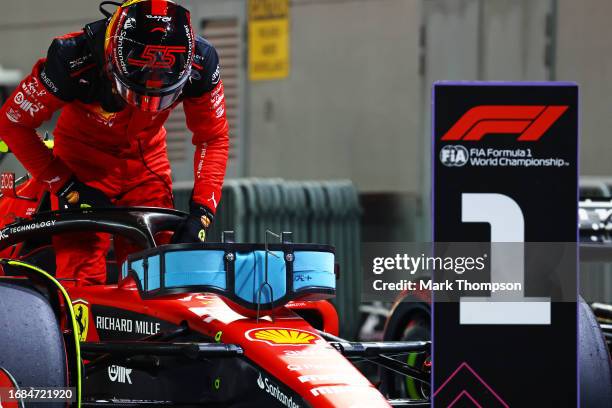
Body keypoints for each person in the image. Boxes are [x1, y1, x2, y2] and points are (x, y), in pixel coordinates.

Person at [0, 0, 229, 285]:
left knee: (161, 276)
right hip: (81, 167)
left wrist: (202, 213)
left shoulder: (202, 60)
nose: (149, 105)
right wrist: (66, 186)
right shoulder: (71, 57)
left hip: (146, 167)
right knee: (80, 278)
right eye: (138, 92)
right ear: (110, 60)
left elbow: (213, 137)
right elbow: (13, 122)